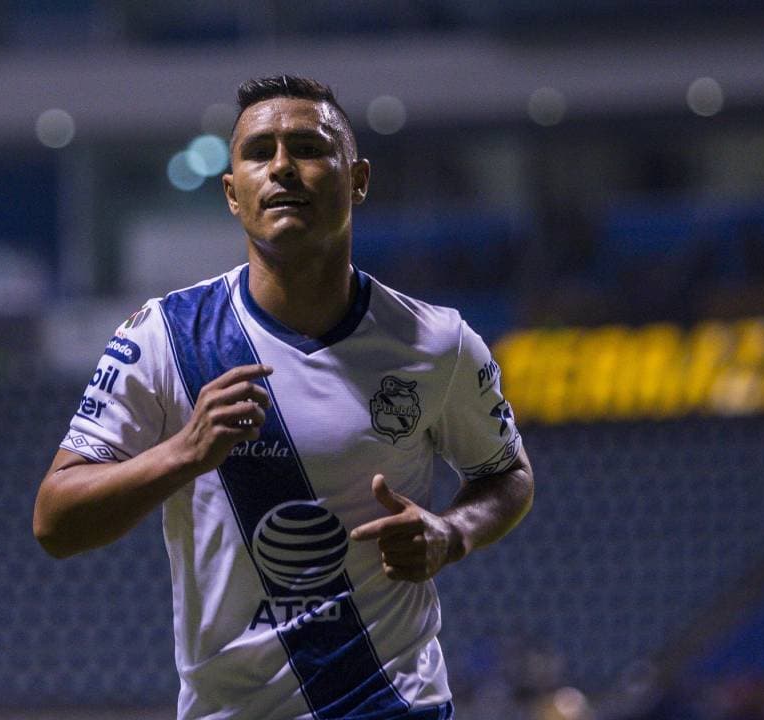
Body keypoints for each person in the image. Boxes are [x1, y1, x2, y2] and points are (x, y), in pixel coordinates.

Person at [33, 75, 535, 720]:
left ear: (358, 179)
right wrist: (184, 453)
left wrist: (452, 532)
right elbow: (56, 523)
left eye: (307, 147)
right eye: (258, 152)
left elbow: (508, 475)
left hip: (393, 705)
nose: (281, 168)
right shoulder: (164, 337)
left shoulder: (437, 341)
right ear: (232, 193)